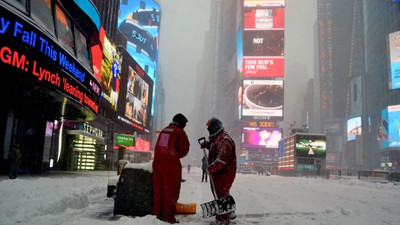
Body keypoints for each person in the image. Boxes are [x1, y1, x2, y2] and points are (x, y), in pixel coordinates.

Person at [152, 113, 190, 224]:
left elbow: (163, 146)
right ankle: (168, 217)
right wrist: (175, 153)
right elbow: (184, 150)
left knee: (158, 190)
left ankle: (156, 216)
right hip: (170, 164)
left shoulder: (165, 130)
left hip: (158, 162)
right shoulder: (179, 132)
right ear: (181, 123)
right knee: (171, 191)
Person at [201, 118, 237, 225]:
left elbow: (222, 159)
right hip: (219, 173)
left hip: (224, 173)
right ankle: (229, 212)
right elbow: (215, 149)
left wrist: (210, 168)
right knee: (221, 193)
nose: (209, 132)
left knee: (221, 195)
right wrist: (207, 145)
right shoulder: (218, 139)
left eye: (210, 129)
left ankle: (222, 220)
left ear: (214, 129)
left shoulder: (224, 139)